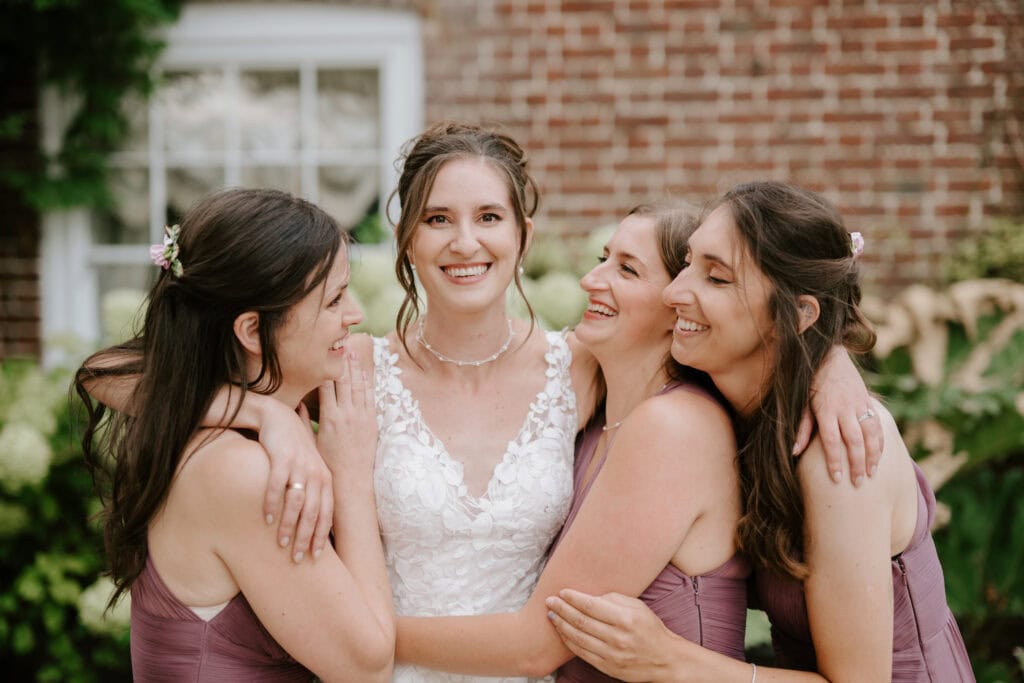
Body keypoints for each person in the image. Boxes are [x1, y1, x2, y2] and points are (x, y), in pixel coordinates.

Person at [80, 124, 881, 683]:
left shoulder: (582, 366)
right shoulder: (352, 367)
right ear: (407, 243)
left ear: (522, 235)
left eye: (489, 217)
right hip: (364, 667)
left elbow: (730, 315)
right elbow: (112, 374)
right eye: (438, 220)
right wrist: (260, 418)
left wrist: (831, 362)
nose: (466, 242)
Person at [545, 181, 975, 682]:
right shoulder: (727, 407)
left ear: (795, 316)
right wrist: (832, 356)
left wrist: (668, 660)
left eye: (717, 279)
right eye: (687, 264)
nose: (674, 292)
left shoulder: (839, 454)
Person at [392, 202, 747, 682]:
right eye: (603, 259)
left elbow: (534, 647)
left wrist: (360, 633)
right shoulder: (597, 413)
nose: (591, 280)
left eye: (626, 269)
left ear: (678, 302)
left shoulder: (674, 426)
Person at [74, 188, 395, 681]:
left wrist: (268, 413)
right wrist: (350, 472)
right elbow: (368, 667)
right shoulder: (239, 471)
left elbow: (104, 371)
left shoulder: (228, 422)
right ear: (250, 330)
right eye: (333, 300)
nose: (354, 316)